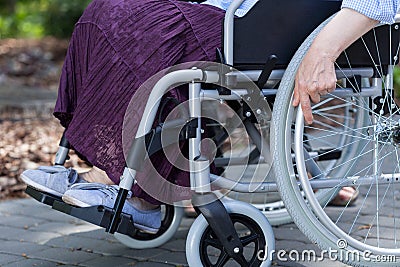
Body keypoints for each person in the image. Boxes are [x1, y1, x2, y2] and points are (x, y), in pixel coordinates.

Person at [20, 0, 399, 234]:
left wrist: (322, 53)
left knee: (126, 20)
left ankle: (131, 186)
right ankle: (118, 174)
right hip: (238, 15)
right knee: (109, 9)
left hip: (257, 30)